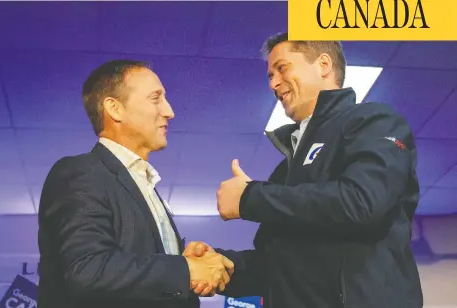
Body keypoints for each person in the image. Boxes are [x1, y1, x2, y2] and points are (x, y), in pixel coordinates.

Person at [192, 33, 424, 308]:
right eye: (270, 75)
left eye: (282, 68)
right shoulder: (286, 169)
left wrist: (249, 198)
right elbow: (276, 264)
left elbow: (362, 203)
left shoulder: (374, 121)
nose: (274, 83)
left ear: (323, 65)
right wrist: (216, 265)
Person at [37, 60, 233, 308]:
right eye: (155, 98)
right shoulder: (80, 172)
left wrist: (179, 259)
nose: (169, 111)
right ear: (115, 109)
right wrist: (184, 270)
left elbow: (137, 270)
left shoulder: (144, 185)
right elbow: (86, 269)